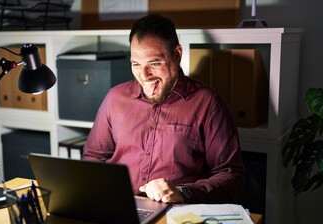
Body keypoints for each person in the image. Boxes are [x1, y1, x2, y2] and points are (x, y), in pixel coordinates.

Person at [83, 14, 245, 204]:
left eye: (154, 63)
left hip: (177, 212)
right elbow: (93, 157)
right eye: (136, 64)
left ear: (177, 55)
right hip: (121, 206)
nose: (144, 75)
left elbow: (231, 175)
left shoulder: (208, 103)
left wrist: (183, 192)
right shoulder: (115, 98)